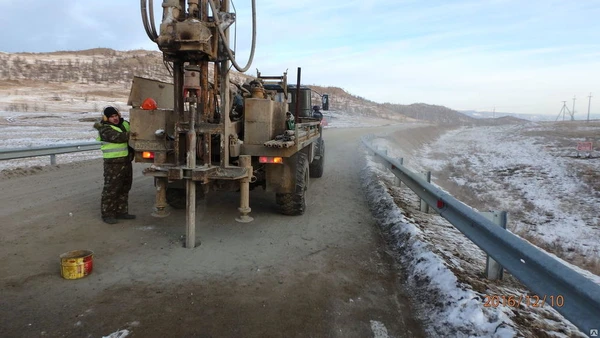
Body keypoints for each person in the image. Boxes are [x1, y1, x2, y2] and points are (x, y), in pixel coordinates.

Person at [93, 106, 135, 224]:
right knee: (111, 189)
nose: (115, 118)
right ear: (106, 118)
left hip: (126, 161)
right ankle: (108, 214)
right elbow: (118, 137)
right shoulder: (104, 129)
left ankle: (122, 212)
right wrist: (134, 133)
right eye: (111, 117)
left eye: (116, 115)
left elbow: (136, 126)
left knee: (125, 187)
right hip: (113, 163)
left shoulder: (125, 124)